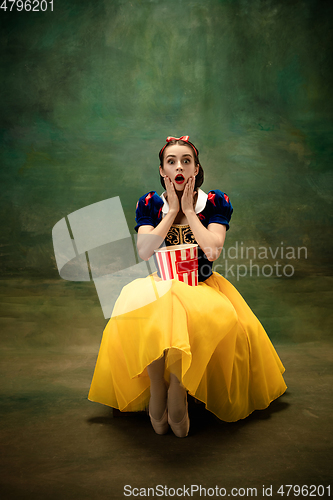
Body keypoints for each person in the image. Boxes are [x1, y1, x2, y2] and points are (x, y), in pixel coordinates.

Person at [88, 136, 287, 438]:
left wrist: (190, 211)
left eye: (185, 160)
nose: (178, 166)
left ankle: (178, 385)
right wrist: (171, 212)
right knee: (141, 305)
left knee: (204, 315)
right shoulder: (151, 203)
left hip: (201, 288)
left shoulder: (215, 201)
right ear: (162, 170)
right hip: (161, 285)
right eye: (171, 161)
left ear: (196, 168)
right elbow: (144, 251)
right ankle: (158, 385)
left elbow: (212, 250)